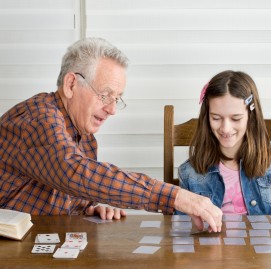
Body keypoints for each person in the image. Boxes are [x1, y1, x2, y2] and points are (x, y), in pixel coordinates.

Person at [0, 37, 222, 231]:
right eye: (105, 95)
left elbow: (68, 188)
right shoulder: (38, 118)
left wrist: (88, 210)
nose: (112, 109)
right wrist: (175, 196)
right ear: (71, 84)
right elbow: (73, 172)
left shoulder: (85, 137)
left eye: (117, 98)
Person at [176, 70, 271, 216]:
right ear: (207, 117)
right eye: (216, 118)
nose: (225, 129)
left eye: (236, 118)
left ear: (250, 117)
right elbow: (183, 229)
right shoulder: (189, 172)